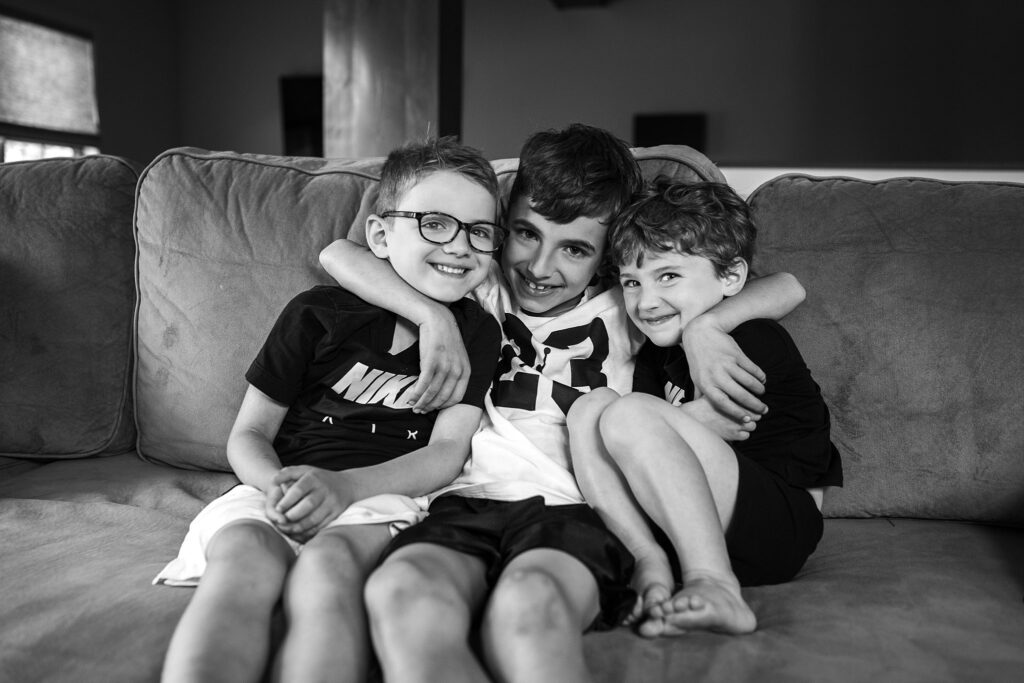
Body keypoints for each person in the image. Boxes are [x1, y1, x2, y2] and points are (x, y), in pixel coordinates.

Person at [318, 124, 806, 682]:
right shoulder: (478, 283)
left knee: (530, 608)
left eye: (574, 248)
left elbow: (785, 286)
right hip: (464, 498)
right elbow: (340, 254)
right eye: (525, 233)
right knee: (404, 597)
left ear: (605, 259)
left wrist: (709, 328)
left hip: (579, 510)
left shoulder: (630, 302)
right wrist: (431, 316)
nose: (540, 267)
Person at [154, 137, 503, 683]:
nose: (460, 246)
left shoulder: (477, 334)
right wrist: (276, 487)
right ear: (381, 235)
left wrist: (346, 490)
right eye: (435, 223)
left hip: (380, 496)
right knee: (242, 559)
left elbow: (447, 452)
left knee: (328, 568)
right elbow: (248, 433)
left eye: (480, 231)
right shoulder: (316, 313)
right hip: (278, 487)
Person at [567, 179, 843, 639]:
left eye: (668, 276)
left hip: (777, 524)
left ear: (731, 277)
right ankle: (647, 561)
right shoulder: (658, 356)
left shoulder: (750, 340)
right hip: (696, 518)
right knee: (591, 406)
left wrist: (705, 332)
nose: (645, 301)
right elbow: (660, 445)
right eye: (632, 282)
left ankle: (715, 584)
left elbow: (729, 424)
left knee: (626, 413)